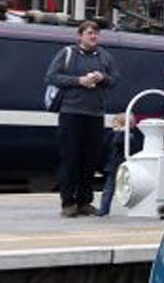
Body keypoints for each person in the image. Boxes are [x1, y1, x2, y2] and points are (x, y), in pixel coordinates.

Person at [46, 21, 121, 217]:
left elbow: (115, 79)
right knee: (70, 158)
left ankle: (85, 201)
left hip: (95, 114)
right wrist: (79, 81)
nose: (93, 36)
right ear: (79, 36)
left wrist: (101, 77)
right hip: (71, 113)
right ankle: (68, 202)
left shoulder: (105, 56)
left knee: (90, 160)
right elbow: (52, 76)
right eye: (89, 33)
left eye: (96, 33)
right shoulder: (67, 54)